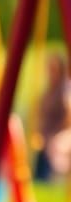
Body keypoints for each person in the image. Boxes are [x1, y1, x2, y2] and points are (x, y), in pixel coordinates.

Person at [35, 52, 71, 182]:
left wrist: (55, 133)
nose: (50, 73)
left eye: (54, 69)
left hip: (62, 133)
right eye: (49, 69)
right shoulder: (48, 91)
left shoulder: (65, 90)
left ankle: (58, 180)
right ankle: (42, 178)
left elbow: (69, 115)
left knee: (55, 147)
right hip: (46, 135)